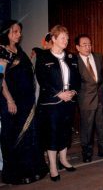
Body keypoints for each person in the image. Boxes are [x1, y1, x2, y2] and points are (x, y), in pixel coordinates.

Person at [0, 20, 48, 184]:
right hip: (12, 102)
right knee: (15, 137)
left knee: (30, 136)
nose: (19, 35)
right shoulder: (2, 51)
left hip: (26, 101)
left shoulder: (18, 50)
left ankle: (33, 170)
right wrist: (10, 100)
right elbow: (1, 79)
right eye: (15, 31)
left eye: (19, 31)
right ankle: (18, 174)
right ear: (7, 33)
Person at [35, 25, 80, 181]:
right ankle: (53, 166)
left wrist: (73, 92)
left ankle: (64, 159)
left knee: (65, 132)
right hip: (51, 103)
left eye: (67, 38)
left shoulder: (72, 57)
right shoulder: (43, 57)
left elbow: (77, 79)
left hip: (68, 101)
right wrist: (58, 94)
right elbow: (43, 80)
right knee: (52, 134)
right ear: (53, 39)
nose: (66, 41)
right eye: (62, 38)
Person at [75, 34, 103, 163]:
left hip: (100, 97)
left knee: (102, 126)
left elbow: (101, 79)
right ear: (77, 47)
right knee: (87, 128)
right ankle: (87, 153)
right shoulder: (74, 61)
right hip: (85, 99)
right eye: (84, 45)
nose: (88, 47)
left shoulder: (99, 57)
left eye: (89, 44)